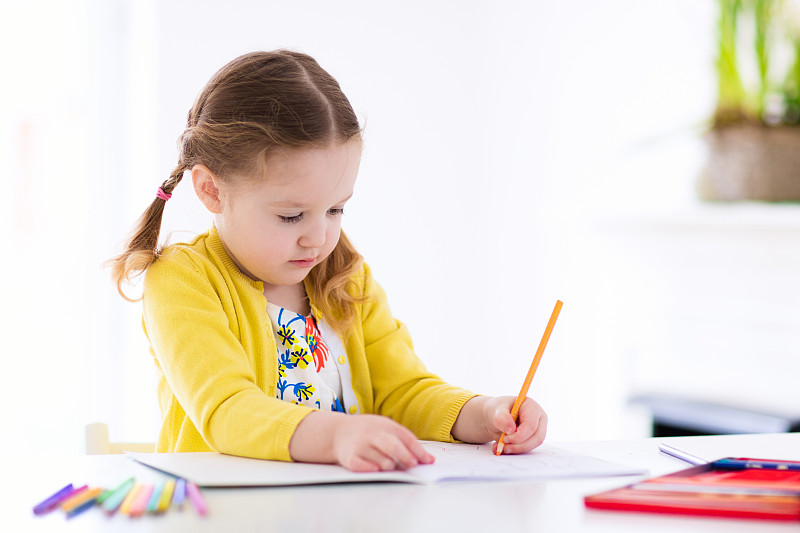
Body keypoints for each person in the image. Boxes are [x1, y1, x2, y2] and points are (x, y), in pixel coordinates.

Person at [108, 50, 547, 472]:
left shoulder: (344, 276)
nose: (318, 238)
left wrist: (482, 413)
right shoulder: (182, 281)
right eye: (291, 215)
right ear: (211, 191)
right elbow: (228, 409)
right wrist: (337, 435)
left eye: (336, 209)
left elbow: (401, 391)